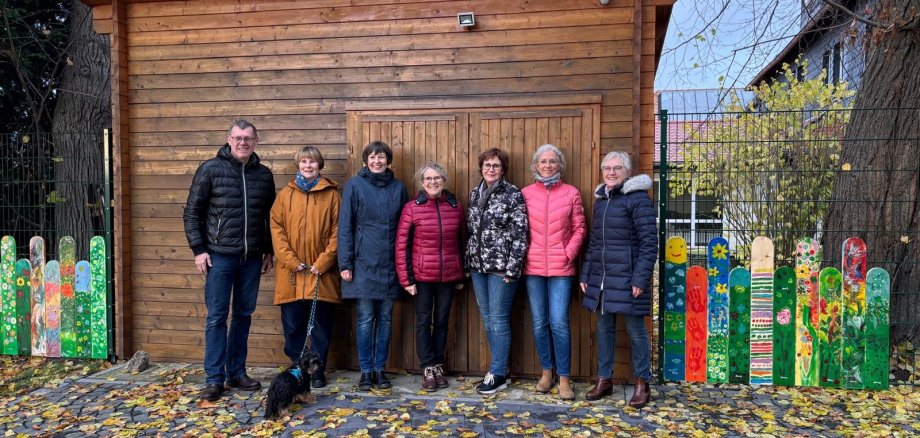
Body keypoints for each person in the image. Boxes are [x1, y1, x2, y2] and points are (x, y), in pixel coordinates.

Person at [183, 120, 276, 402]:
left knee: (243, 316)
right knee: (216, 317)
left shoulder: (264, 175)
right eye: (238, 138)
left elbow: (270, 217)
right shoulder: (211, 169)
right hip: (219, 257)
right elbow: (191, 212)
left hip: (251, 259)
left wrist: (268, 250)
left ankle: (237, 372)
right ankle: (214, 379)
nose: (243, 143)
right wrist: (199, 249)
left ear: (256, 142)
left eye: (248, 138)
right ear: (228, 140)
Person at [580, 151, 657, 408]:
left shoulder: (638, 199)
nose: (611, 172)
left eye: (616, 168)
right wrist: (586, 274)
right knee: (604, 330)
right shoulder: (602, 200)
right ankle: (605, 380)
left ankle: (642, 383)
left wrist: (640, 279)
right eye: (607, 168)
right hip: (602, 280)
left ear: (627, 171)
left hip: (629, 278)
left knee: (636, 331)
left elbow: (649, 244)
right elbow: (595, 243)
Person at [338, 141, 408, 391]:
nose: (377, 161)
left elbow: (405, 228)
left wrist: (405, 265)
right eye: (372, 157)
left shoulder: (399, 187)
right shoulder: (354, 186)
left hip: (390, 264)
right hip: (362, 263)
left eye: (381, 157)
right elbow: (345, 225)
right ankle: (366, 371)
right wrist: (345, 263)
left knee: (386, 318)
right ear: (365, 160)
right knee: (366, 318)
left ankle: (380, 369)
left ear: (388, 161)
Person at [269, 146, 341, 389]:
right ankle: (298, 367)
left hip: (320, 273)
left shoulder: (331, 195)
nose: (308, 166)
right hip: (292, 274)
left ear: (319, 165)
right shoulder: (285, 195)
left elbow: (338, 232)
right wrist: (290, 261)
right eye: (304, 162)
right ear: (298, 165)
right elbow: (276, 229)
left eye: (312, 162)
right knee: (293, 325)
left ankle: (318, 370)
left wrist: (322, 262)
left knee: (320, 326)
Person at [521, 144, 586, 401]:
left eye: (552, 161)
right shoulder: (525, 194)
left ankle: (565, 379)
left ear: (560, 165)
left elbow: (580, 228)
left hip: (561, 268)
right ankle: (546, 373)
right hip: (533, 268)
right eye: (543, 161)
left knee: (559, 323)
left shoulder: (571, 193)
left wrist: (568, 253)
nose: (547, 165)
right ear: (536, 165)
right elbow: (518, 229)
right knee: (539, 323)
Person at [395, 162, 466, 392]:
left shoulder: (456, 207)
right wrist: (406, 279)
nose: (433, 182)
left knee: (443, 321)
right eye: (428, 179)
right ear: (422, 182)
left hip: (448, 276)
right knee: (424, 322)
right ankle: (427, 367)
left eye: (437, 178)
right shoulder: (412, 208)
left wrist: (462, 273)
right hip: (422, 276)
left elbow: (463, 241)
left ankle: (437, 365)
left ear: (444, 181)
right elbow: (401, 246)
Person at [465, 147, 529, 395]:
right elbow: (471, 233)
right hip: (478, 268)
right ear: (481, 167)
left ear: (503, 170)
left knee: (499, 320)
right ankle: (498, 370)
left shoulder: (512, 194)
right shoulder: (475, 193)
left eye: (496, 166)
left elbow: (520, 234)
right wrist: (467, 264)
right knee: (488, 320)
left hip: (501, 270)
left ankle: (498, 373)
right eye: (487, 165)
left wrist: (513, 270)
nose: (491, 169)